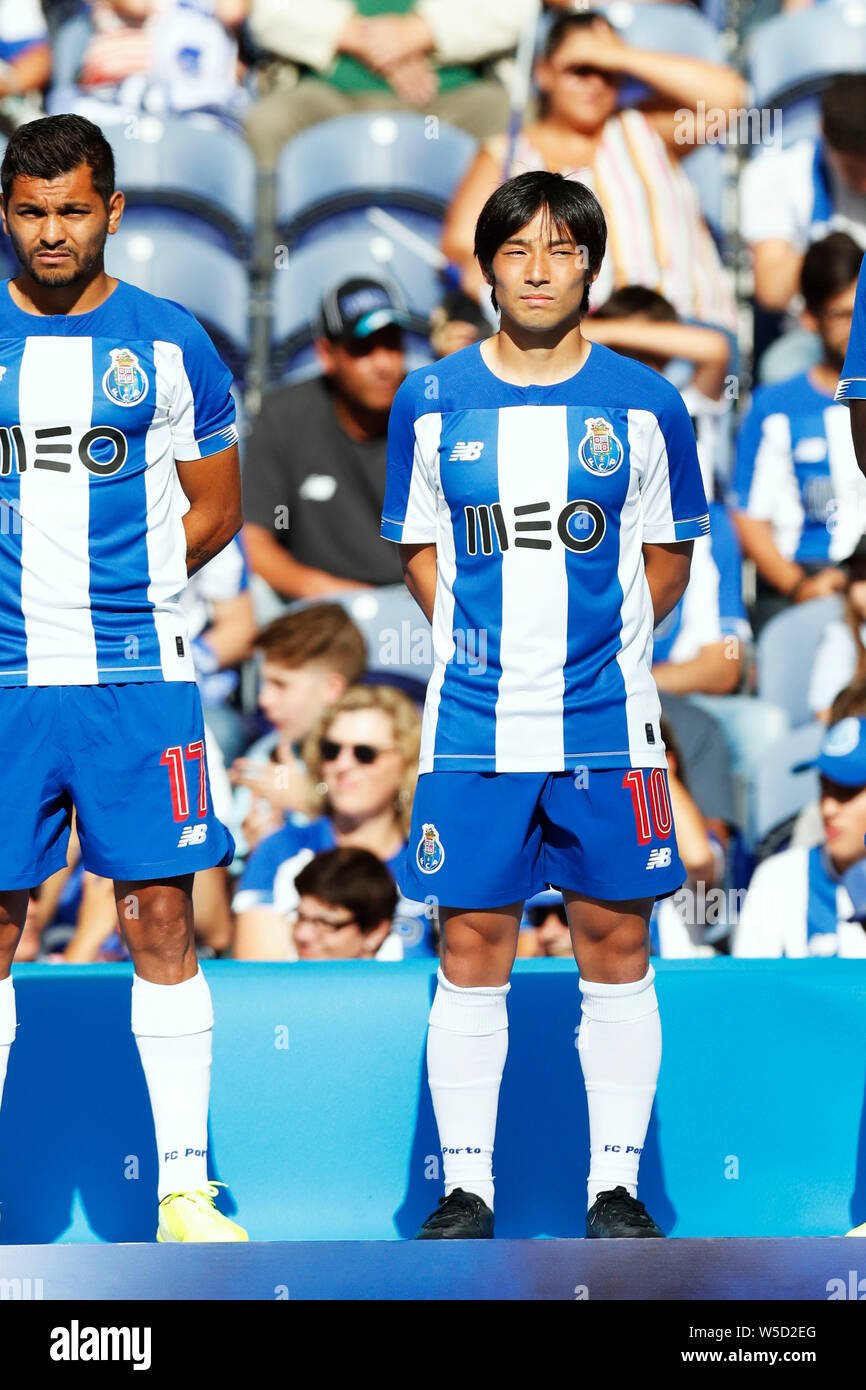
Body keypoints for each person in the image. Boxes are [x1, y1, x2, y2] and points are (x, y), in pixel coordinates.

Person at [383, 169, 709, 1239]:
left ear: (589, 266)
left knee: (614, 944)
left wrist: (602, 649)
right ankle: (463, 1188)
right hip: (471, 726)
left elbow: (666, 556)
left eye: (560, 250)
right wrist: (473, 643)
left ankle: (611, 1188)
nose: (536, 269)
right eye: (515, 250)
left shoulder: (646, 402)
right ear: (483, 268)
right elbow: (418, 549)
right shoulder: (428, 400)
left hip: (608, 726)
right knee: (470, 945)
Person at [0, 113, 246, 1243]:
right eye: (30, 212)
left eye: (72, 211)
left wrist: (127, 595)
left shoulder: (171, 342)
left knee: (159, 918)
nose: (51, 233)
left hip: (137, 679)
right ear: (7, 213)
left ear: (113, 213)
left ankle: (186, 1189)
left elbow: (217, 506)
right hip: (4, 683)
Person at [441, 8, 739, 328]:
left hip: (689, 327)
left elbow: (730, 99)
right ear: (543, 72)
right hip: (577, 339)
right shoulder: (506, 154)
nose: (595, 84)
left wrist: (619, 55)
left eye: (607, 72)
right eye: (581, 69)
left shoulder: (645, 129)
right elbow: (460, 248)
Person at [232, 683, 433, 960]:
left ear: (406, 764)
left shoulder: (430, 864)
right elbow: (262, 981)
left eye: (365, 754)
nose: (343, 764)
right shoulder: (281, 849)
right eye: (331, 750)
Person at [242, 275, 408, 606]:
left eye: (392, 344)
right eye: (363, 348)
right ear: (326, 354)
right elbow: (254, 539)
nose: (383, 364)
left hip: (414, 602)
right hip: (317, 609)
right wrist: (324, 593)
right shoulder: (284, 416)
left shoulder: (430, 414)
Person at [731, 231, 866, 634]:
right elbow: (748, 515)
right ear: (809, 318)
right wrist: (801, 586)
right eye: (842, 315)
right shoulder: (774, 407)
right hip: (804, 587)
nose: (856, 327)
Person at [244, 0, 531, 169]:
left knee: (516, 123)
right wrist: (362, 37)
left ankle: (498, 258)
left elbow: (517, 9)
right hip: (328, 94)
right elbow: (267, 11)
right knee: (270, 121)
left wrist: (423, 30)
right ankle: (273, 258)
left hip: (456, 97)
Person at [229, 602, 367, 858]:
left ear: (331, 689)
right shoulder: (266, 757)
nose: (264, 699)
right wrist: (254, 848)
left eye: (280, 684)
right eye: (263, 683)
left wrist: (307, 801)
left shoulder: (371, 757)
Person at [732, 716, 866, 958]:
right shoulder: (777, 877)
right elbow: (750, 987)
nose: (828, 808)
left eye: (847, 791)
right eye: (825, 787)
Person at [741, 75, 866, 316]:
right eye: (853, 171)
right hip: (820, 331)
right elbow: (772, 290)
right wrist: (830, 256)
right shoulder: (775, 174)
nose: (864, 185)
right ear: (824, 135)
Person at [290, 847, 401, 961]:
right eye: (301, 917)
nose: (302, 934)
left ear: (375, 932)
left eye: (326, 923)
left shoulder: (410, 977)